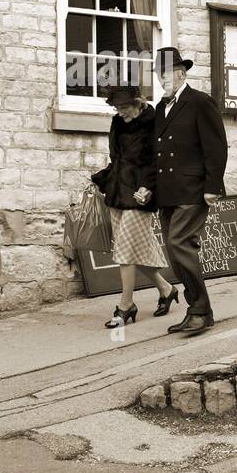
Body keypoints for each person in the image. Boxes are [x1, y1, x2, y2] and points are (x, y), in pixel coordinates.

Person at [153, 47, 229, 337]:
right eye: (158, 74)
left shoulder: (200, 102)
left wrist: (213, 186)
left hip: (193, 189)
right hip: (168, 192)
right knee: (175, 251)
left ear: (181, 73)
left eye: (166, 73)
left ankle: (200, 311)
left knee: (180, 244)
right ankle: (197, 310)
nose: (162, 79)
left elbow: (216, 146)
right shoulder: (162, 107)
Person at [90, 85, 179, 329]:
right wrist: (104, 177)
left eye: (124, 108)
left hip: (141, 194)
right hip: (118, 191)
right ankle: (166, 289)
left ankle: (126, 306)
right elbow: (116, 157)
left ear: (138, 103)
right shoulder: (118, 122)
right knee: (129, 249)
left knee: (126, 250)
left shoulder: (154, 122)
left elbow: (159, 159)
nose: (120, 113)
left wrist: (148, 186)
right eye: (117, 108)